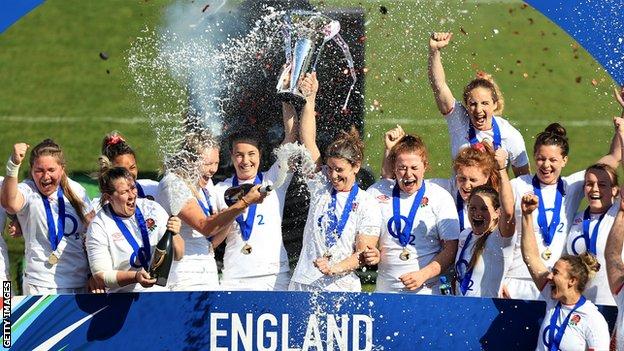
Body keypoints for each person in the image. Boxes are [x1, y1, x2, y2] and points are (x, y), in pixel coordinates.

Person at [504, 122, 620, 300]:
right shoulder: (517, 185)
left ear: (564, 160)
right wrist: (498, 279)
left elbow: (613, 157)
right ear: (534, 156)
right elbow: (500, 231)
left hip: (556, 282)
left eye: (553, 160)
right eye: (541, 158)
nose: (546, 165)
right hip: (516, 280)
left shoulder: (572, 185)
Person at [289, 72, 381, 292]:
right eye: (330, 168)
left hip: (342, 287)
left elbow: (363, 253)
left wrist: (334, 267)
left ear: (356, 166)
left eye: (340, 170)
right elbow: (308, 140)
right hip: (304, 282)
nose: (333, 176)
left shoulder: (367, 203)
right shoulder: (321, 185)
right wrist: (310, 99)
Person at [157, 130, 264, 291]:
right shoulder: (173, 183)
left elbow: (212, 241)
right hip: (181, 275)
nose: (213, 170)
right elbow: (204, 226)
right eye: (208, 164)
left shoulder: (207, 185)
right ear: (189, 161)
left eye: (216, 163)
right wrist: (244, 202)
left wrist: (233, 212)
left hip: (207, 271)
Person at [211, 96, 297, 291]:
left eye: (251, 154)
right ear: (232, 156)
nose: (245, 160)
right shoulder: (220, 190)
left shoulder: (273, 180)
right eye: (239, 155)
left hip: (274, 276)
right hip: (235, 275)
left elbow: (291, 139)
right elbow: (212, 230)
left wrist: (286, 99)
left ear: (260, 155)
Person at [367, 130, 459, 294]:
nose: (408, 174)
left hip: (427, 292)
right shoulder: (376, 193)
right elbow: (366, 236)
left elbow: (451, 248)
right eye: (402, 168)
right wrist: (370, 250)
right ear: (394, 168)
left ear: (425, 166)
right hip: (385, 293)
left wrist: (423, 275)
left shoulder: (440, 197)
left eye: (414, 167)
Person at [428, 32, 530, 177]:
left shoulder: (510, 136)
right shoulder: (459, 120)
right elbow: (439, 86)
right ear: (466, 105)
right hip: (460, 199)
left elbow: (523, 182)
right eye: (473, 104)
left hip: (494, 199)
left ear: (495, 105)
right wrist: (434, 51)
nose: (478, 110)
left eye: (485, 103)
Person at [1, 140, 95, 294]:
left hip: (79, 282)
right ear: (31, 170)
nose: (46, 176)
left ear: (62, 169)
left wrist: (94, 274)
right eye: (39, 170)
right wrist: (14, 165)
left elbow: (93, 233)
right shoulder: (28, 190)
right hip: (40, 284)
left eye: (51, 169)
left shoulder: (77, 191)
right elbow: (9, 204)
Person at [521, 193, 609, 351]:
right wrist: (527, 216)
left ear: (572, 281)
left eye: (555, 272)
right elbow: (531, 258)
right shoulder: (552, 298)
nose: (549, 276)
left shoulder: (592, 319)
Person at [86, 166, 184, 292]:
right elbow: (101, 276)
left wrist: (174, 233)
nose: (132, 195)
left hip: (160, 294)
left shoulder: (152, 208)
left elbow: (179, 255)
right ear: (109, 197)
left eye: (133, 188)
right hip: (123, 299)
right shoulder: (99, 225)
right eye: (124, 192)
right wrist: (136, 277)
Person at [565, 164, 619, 306]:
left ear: (614, 190)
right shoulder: (575, 219)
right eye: (589, 184)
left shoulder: (619, 215)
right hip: (579, 305)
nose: (595, 189)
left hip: (615, 303)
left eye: (602, 184)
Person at [453, 185, 515, 297]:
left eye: (484, 209)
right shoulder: (465, 235)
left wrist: (501, 171)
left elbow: (509, 213)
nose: (477, 213)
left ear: (497, 213)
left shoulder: (500, 238)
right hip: (460, 307)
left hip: (487, 311)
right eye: (473, 208)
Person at [92, 131, 159, 212]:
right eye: (122, 170)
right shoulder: (97, 209)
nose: (129, 174)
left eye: (132, 167)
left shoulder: (154, 188)